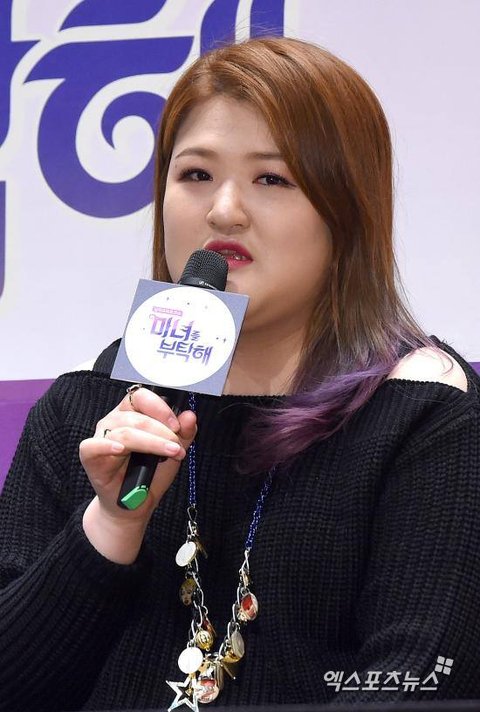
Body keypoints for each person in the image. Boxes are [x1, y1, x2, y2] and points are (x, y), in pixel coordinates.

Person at [1, 35, 479, 712]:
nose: (223, 210)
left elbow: (423, 680)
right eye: (195, 175)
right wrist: (111, 523)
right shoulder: (86, 404)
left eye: (271, 179)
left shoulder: (423, 409)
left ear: (347, 212)